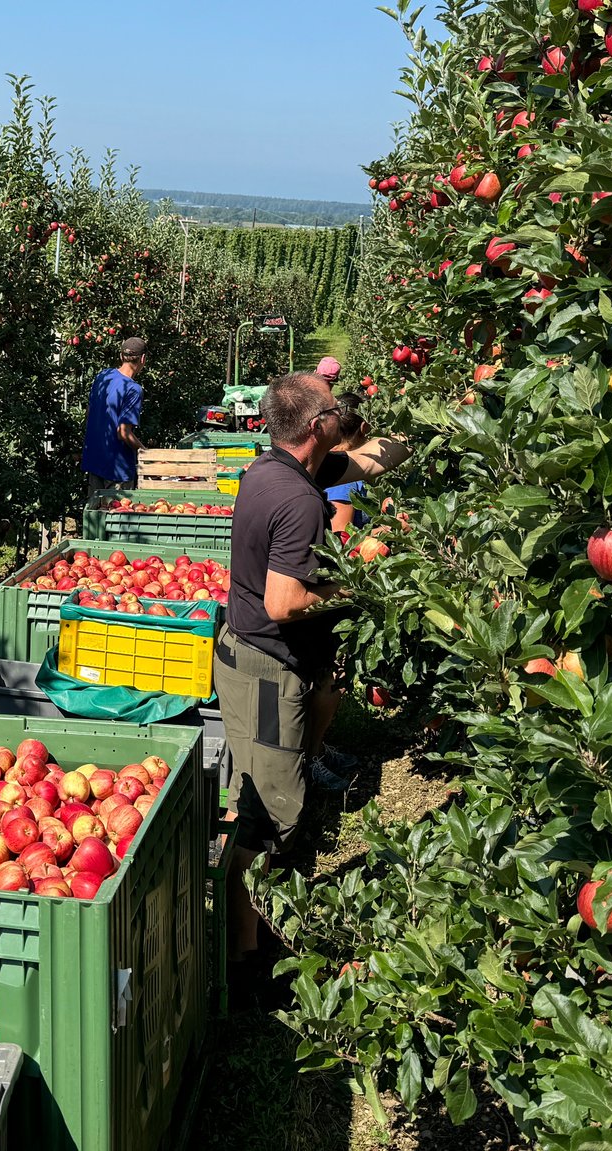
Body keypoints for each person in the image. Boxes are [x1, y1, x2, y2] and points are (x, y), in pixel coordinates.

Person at [214, 371, 411, 970]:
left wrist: (427, 425)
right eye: (335, 409)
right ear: (319, 426)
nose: (341, 414)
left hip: (250, 656)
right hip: (267, 667)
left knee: (262, 791)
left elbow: (369, 463)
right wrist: (357, 578)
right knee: (273, 808)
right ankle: (246, 952)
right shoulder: (300, 499)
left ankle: (245, 926)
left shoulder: (276, 470)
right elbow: (285, 602)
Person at [81, 337, 147, 495]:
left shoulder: (103, 377)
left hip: (95, 459)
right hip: (117, 469)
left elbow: (89, 413)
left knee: (95, 514)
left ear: (121, 356)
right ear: (143, 359)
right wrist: (145, 451)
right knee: (116, 516)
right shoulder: (133, 389)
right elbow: (123, 432)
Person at [313, 357, 365, 532]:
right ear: (364, 428)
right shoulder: (343, 478)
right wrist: (392, 530)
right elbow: (340, 535)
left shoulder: (337, 462)